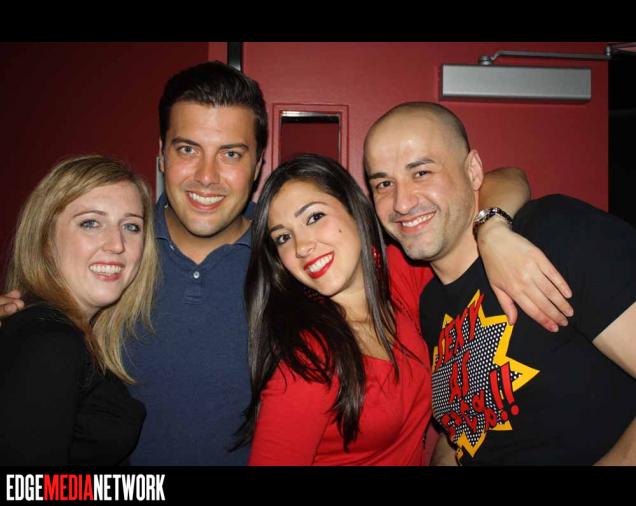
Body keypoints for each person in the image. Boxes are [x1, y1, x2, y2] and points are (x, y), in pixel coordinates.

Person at [0, 61, 572, 465]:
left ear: (256, 167)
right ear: (162, 157)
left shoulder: (296, 260)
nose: (206, 177)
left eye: (231, 153)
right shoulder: (121, 253)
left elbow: (499, 180)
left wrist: (493, 227)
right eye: (187, 150)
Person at [236, 153, 570, 465]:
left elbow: (508, 178)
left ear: (354, 209)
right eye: (283, 237)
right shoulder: (307, 364)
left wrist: (493, 231)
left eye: (314, 217)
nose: (302, 247)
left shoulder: (399, 275)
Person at [364, 102, 636, 465]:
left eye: (422, 172)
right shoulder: (430, 305)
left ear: (473, 171)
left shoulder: (556, 233)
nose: (401, 202)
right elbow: (469, 431)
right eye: (384, 183)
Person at [0, 155, 157, 465]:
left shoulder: (62, 332)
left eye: (131, 226)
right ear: (46, 239)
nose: (117, 244)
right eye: (91, 223)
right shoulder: (49, 340)